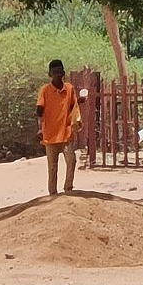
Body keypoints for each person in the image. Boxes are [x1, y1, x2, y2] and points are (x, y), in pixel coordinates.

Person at [36, 59, 85, 195]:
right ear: (49, 74)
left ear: (63, 73)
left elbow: (73, 107)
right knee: (52, 167)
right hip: (50, 136)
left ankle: (68, 187)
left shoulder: (69, 89)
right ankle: (53, 193)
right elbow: (39, 111)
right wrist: (40, 128)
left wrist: (79, 102)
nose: (58, 75)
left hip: (66, 134)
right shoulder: (45, 91)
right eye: (54, 72)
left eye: (59, 72)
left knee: (72, 160)